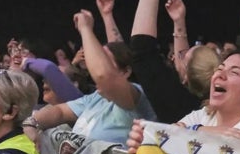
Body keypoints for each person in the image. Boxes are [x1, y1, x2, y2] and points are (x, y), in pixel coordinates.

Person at [24, 10, 157, 144]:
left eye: (105, 62)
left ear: (126, 72)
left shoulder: (133, 98)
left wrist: (85, 29)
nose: (95, 66)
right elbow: (60, 111)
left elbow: (104, 76)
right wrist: (31, 123)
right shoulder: (95, 97)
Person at [128, 50, 240, 151]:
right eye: (220, 69)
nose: (220, 75)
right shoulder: (205, 115)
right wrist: (146, 140)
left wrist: (188, 132)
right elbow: (168, 134)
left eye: (234, 72)